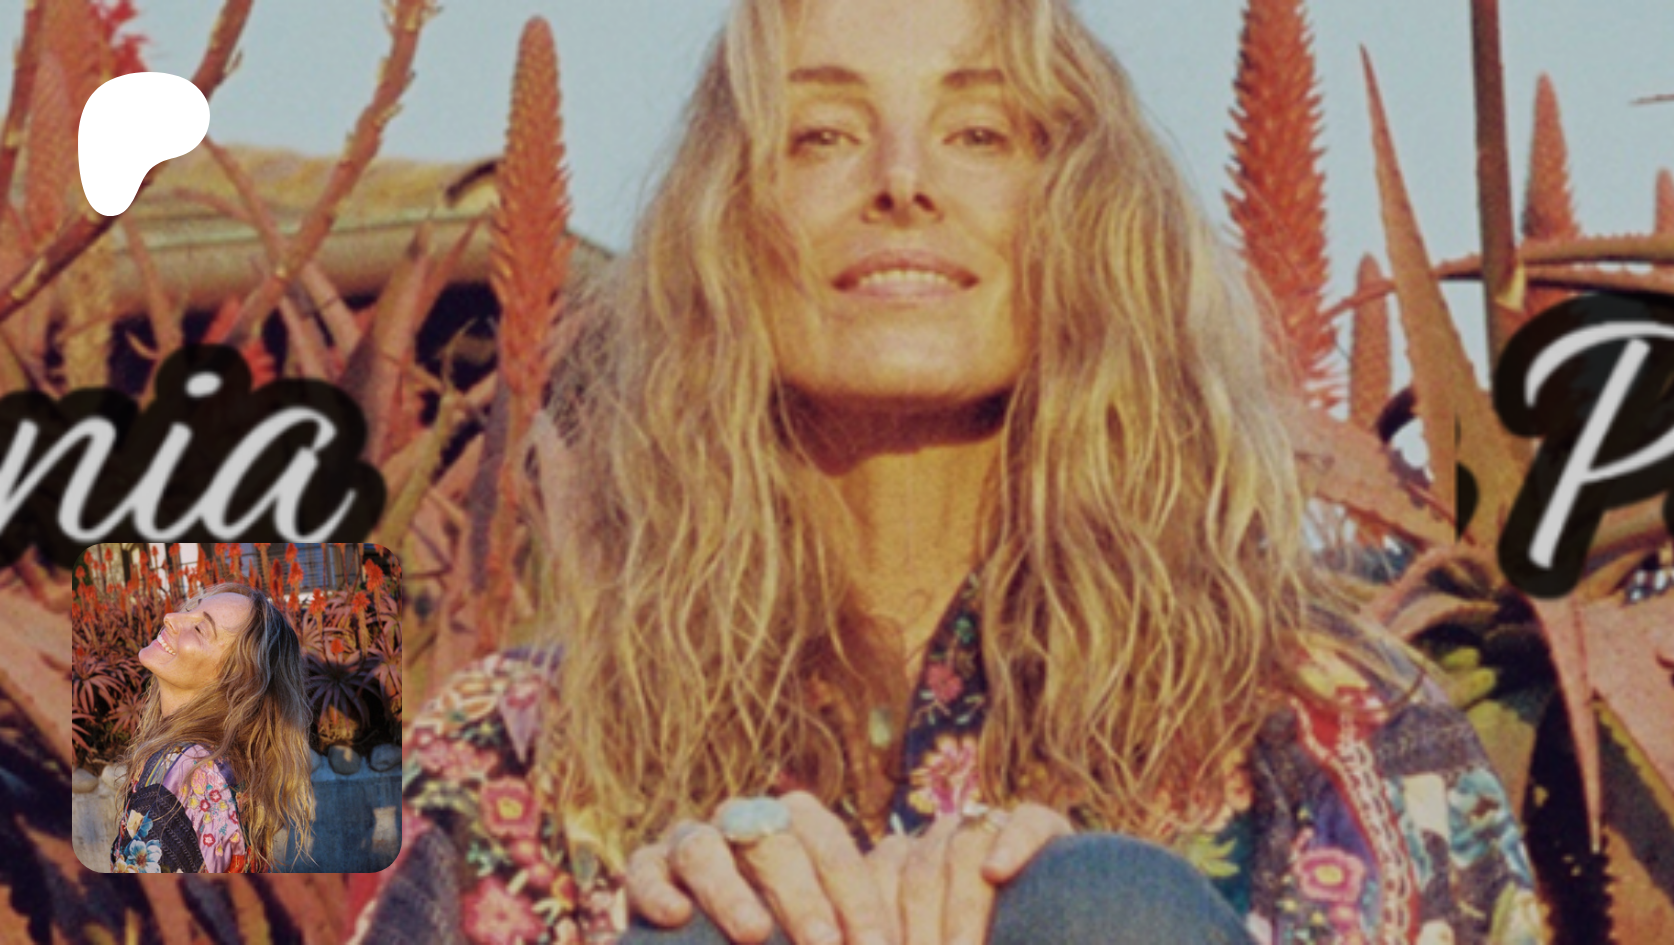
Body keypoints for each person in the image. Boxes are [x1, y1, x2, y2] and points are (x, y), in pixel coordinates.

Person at [353, 0, 1547, 941]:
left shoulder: (1322, 715)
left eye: (980, 132)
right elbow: (243, 857)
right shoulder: (511, 734)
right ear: (726, 226)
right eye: (821, 134)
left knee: (1102, 908)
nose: (903, 179)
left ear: (1082, 216)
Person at [111, 582, 315, 873]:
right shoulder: (227, 759)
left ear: (234, 678)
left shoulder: (180, 772)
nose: (170, 617)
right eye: (191, 609)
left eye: (199, 629)